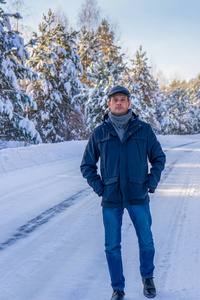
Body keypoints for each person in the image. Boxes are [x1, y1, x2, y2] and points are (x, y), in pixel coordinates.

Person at [80, 86, 166, 300]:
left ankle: (148, 278)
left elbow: (159, 158)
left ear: (129, 103)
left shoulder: (143, 130)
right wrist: (101, 188)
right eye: (115, 99)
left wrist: (150, 182)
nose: (119, 102)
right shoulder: (99, 133)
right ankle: (117, 288)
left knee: (146, 241)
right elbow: (87, 165)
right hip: (111, 199)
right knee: (112, 247)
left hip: (138, 195)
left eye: (123, 99)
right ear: (108, 104)